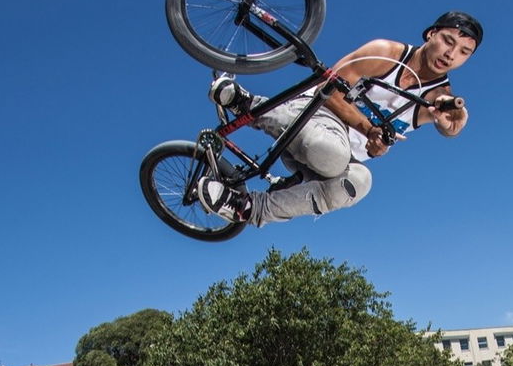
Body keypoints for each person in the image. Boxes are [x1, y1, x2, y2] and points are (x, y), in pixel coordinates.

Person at [199, 12, 481, 226]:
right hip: (311, 118)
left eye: (463, 52)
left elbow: (448, 116)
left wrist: (454, 124)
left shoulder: (437, 96)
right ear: (431, 34)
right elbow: (328, 90)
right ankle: (248, 104)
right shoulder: (385, 54)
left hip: (332, 163)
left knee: (360, 181)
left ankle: (247, 207)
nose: (450, 54)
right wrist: (368, 128)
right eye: (448, 41)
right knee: (333, 152)